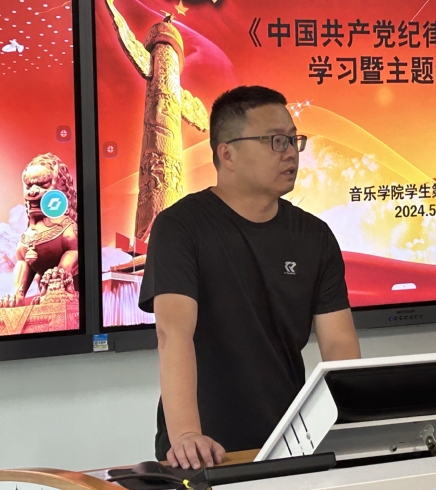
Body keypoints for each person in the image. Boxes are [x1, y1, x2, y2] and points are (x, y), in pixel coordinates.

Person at [139, 85, 361, 469]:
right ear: (227, 153)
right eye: (276, 141)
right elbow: (173, 333)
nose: (290, 153)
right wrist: (187, 435)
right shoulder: (180, 226)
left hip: (290, 442)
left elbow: (339, 344)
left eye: (293, 140)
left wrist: (356, 424)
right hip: (204, 452)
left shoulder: (314, 236)